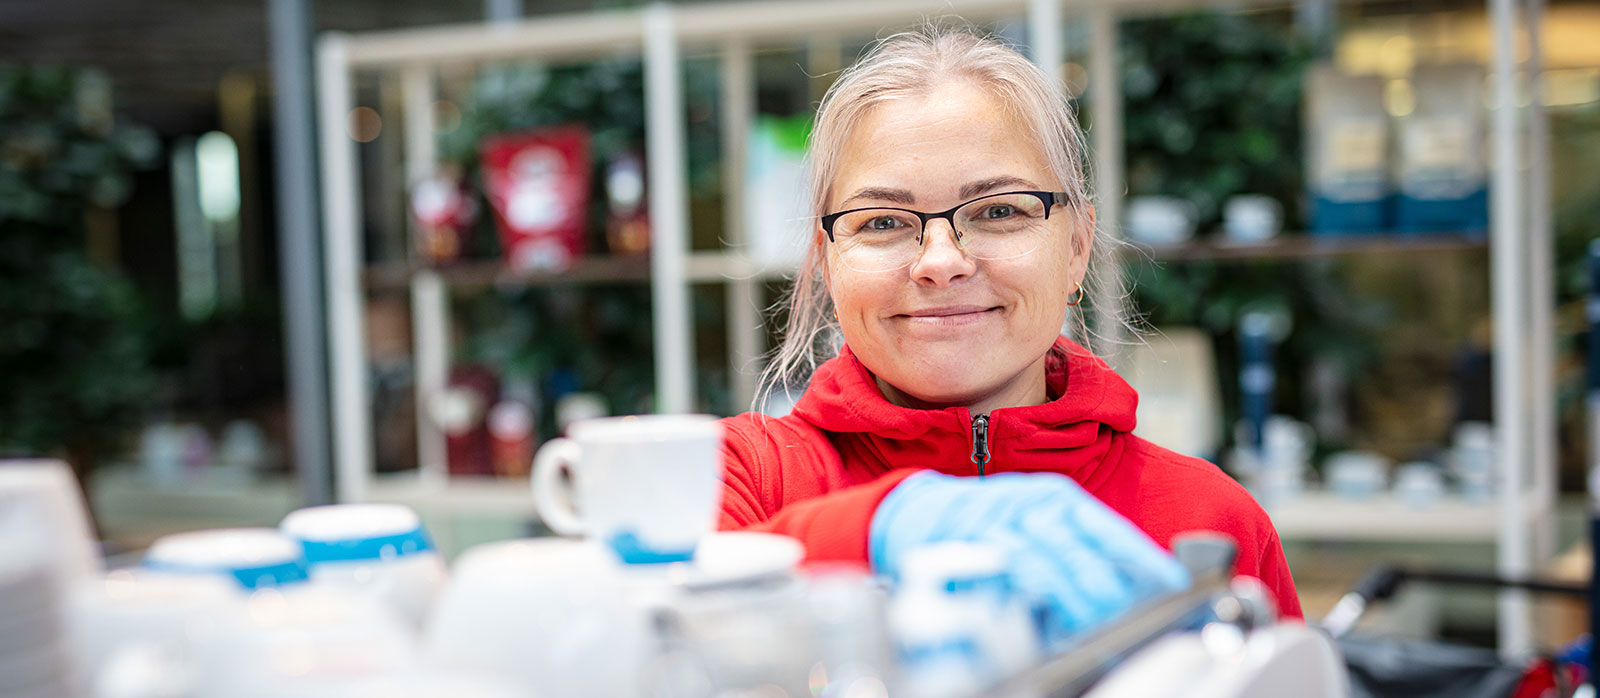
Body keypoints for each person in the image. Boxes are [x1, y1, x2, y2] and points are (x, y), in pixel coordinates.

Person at [716, 27, 1301, 641]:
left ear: (1076, 248)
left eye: (998, 211)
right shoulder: (745, 480)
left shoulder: (1213, 520)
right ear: (829, 261)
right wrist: (880, 525)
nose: (940, 261)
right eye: (883, 221)